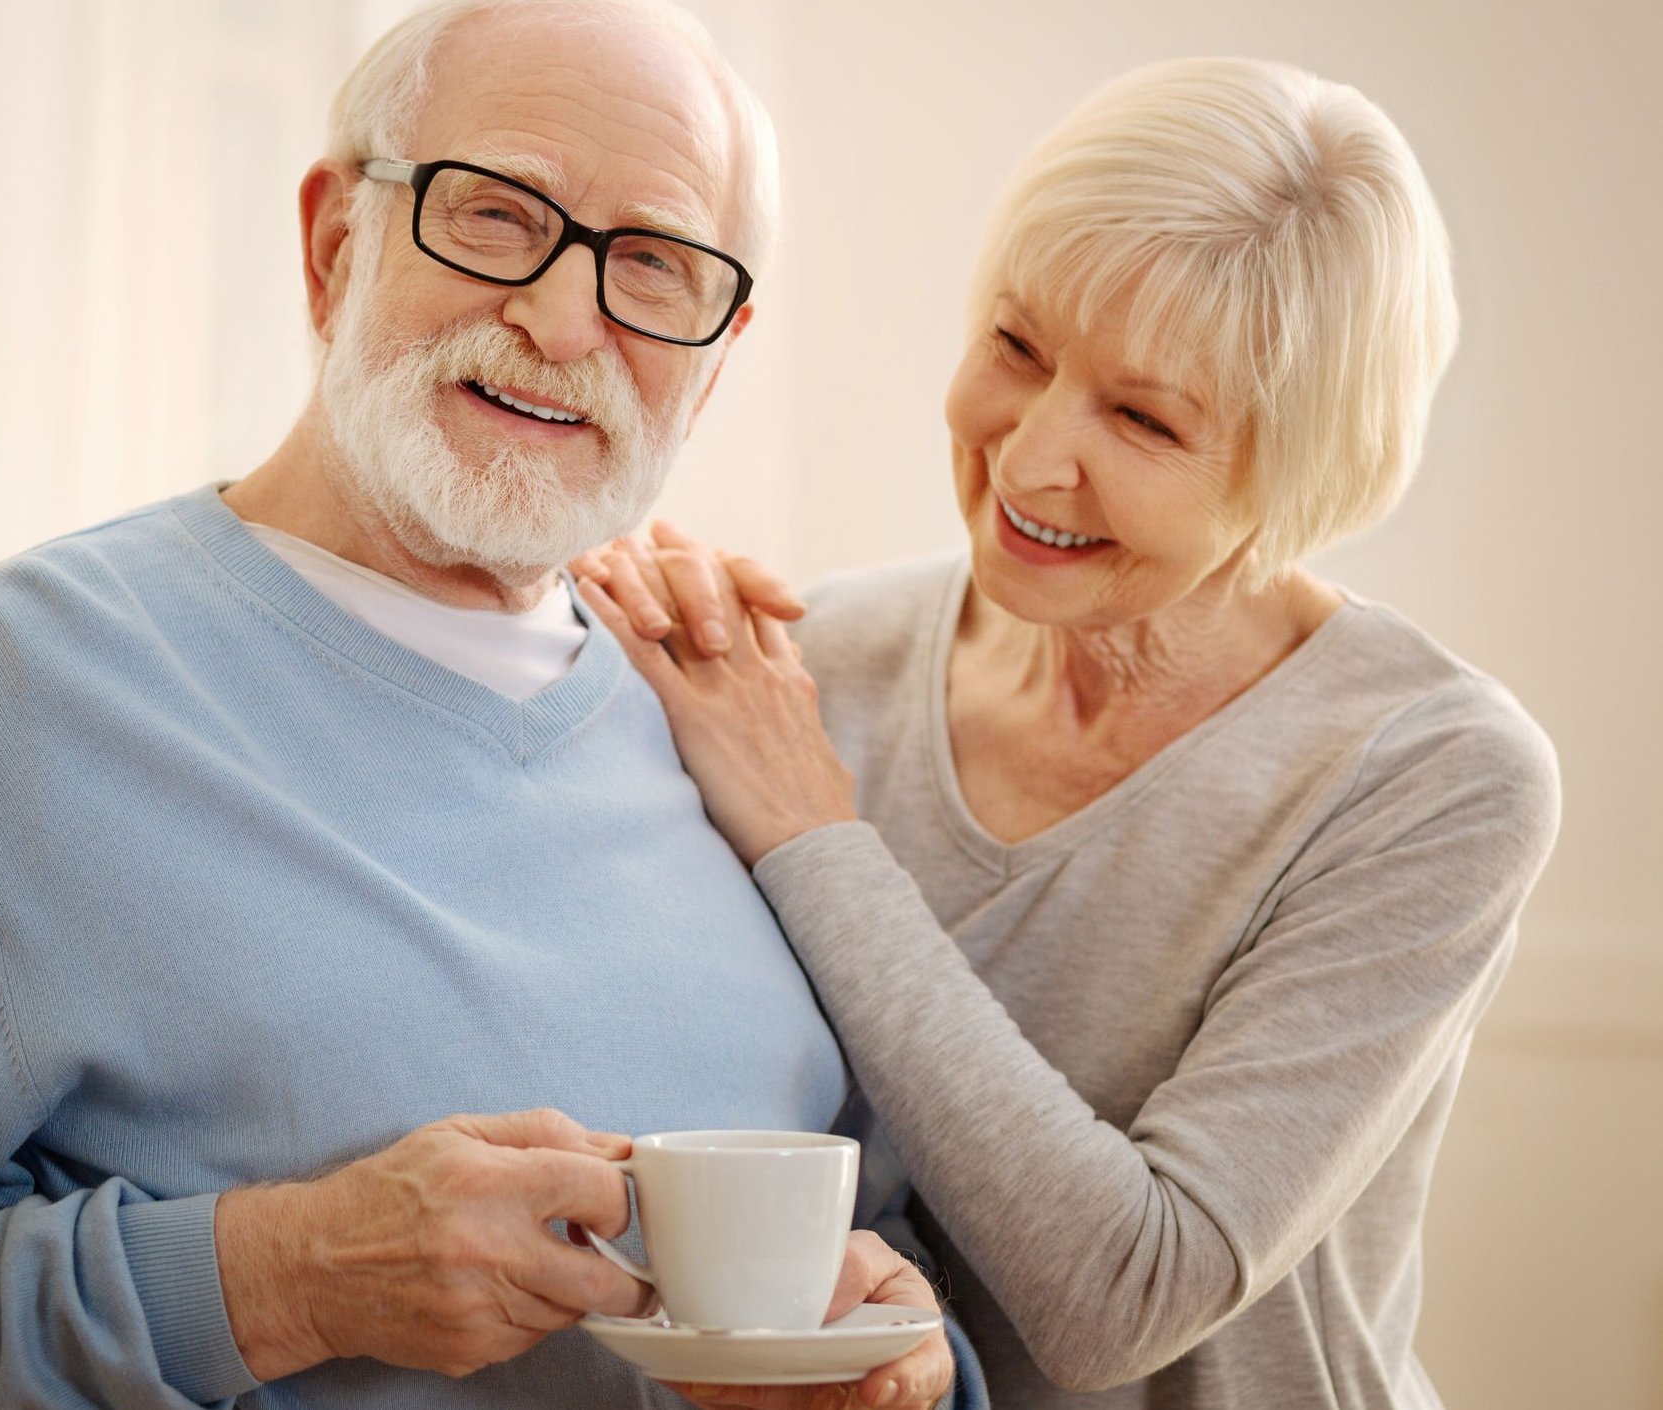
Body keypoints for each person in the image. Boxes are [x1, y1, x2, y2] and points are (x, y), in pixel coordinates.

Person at [0, 3, 970, 1407]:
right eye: (499, 216)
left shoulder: (732, 715)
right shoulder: (35, 686)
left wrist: (909, 1361)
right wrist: (288, 1272)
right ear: (336, 243)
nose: (563, 316)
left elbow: (876, 1250)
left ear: (711, 358)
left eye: (652, 264)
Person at [575, 56, 1561, 1410]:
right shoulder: (813, 666)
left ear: (1299, 466)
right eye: (1017, 348)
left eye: (1144, 418)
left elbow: (1125, 1299)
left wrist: (814, 833)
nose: (1031, 458)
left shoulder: (1429, 771)